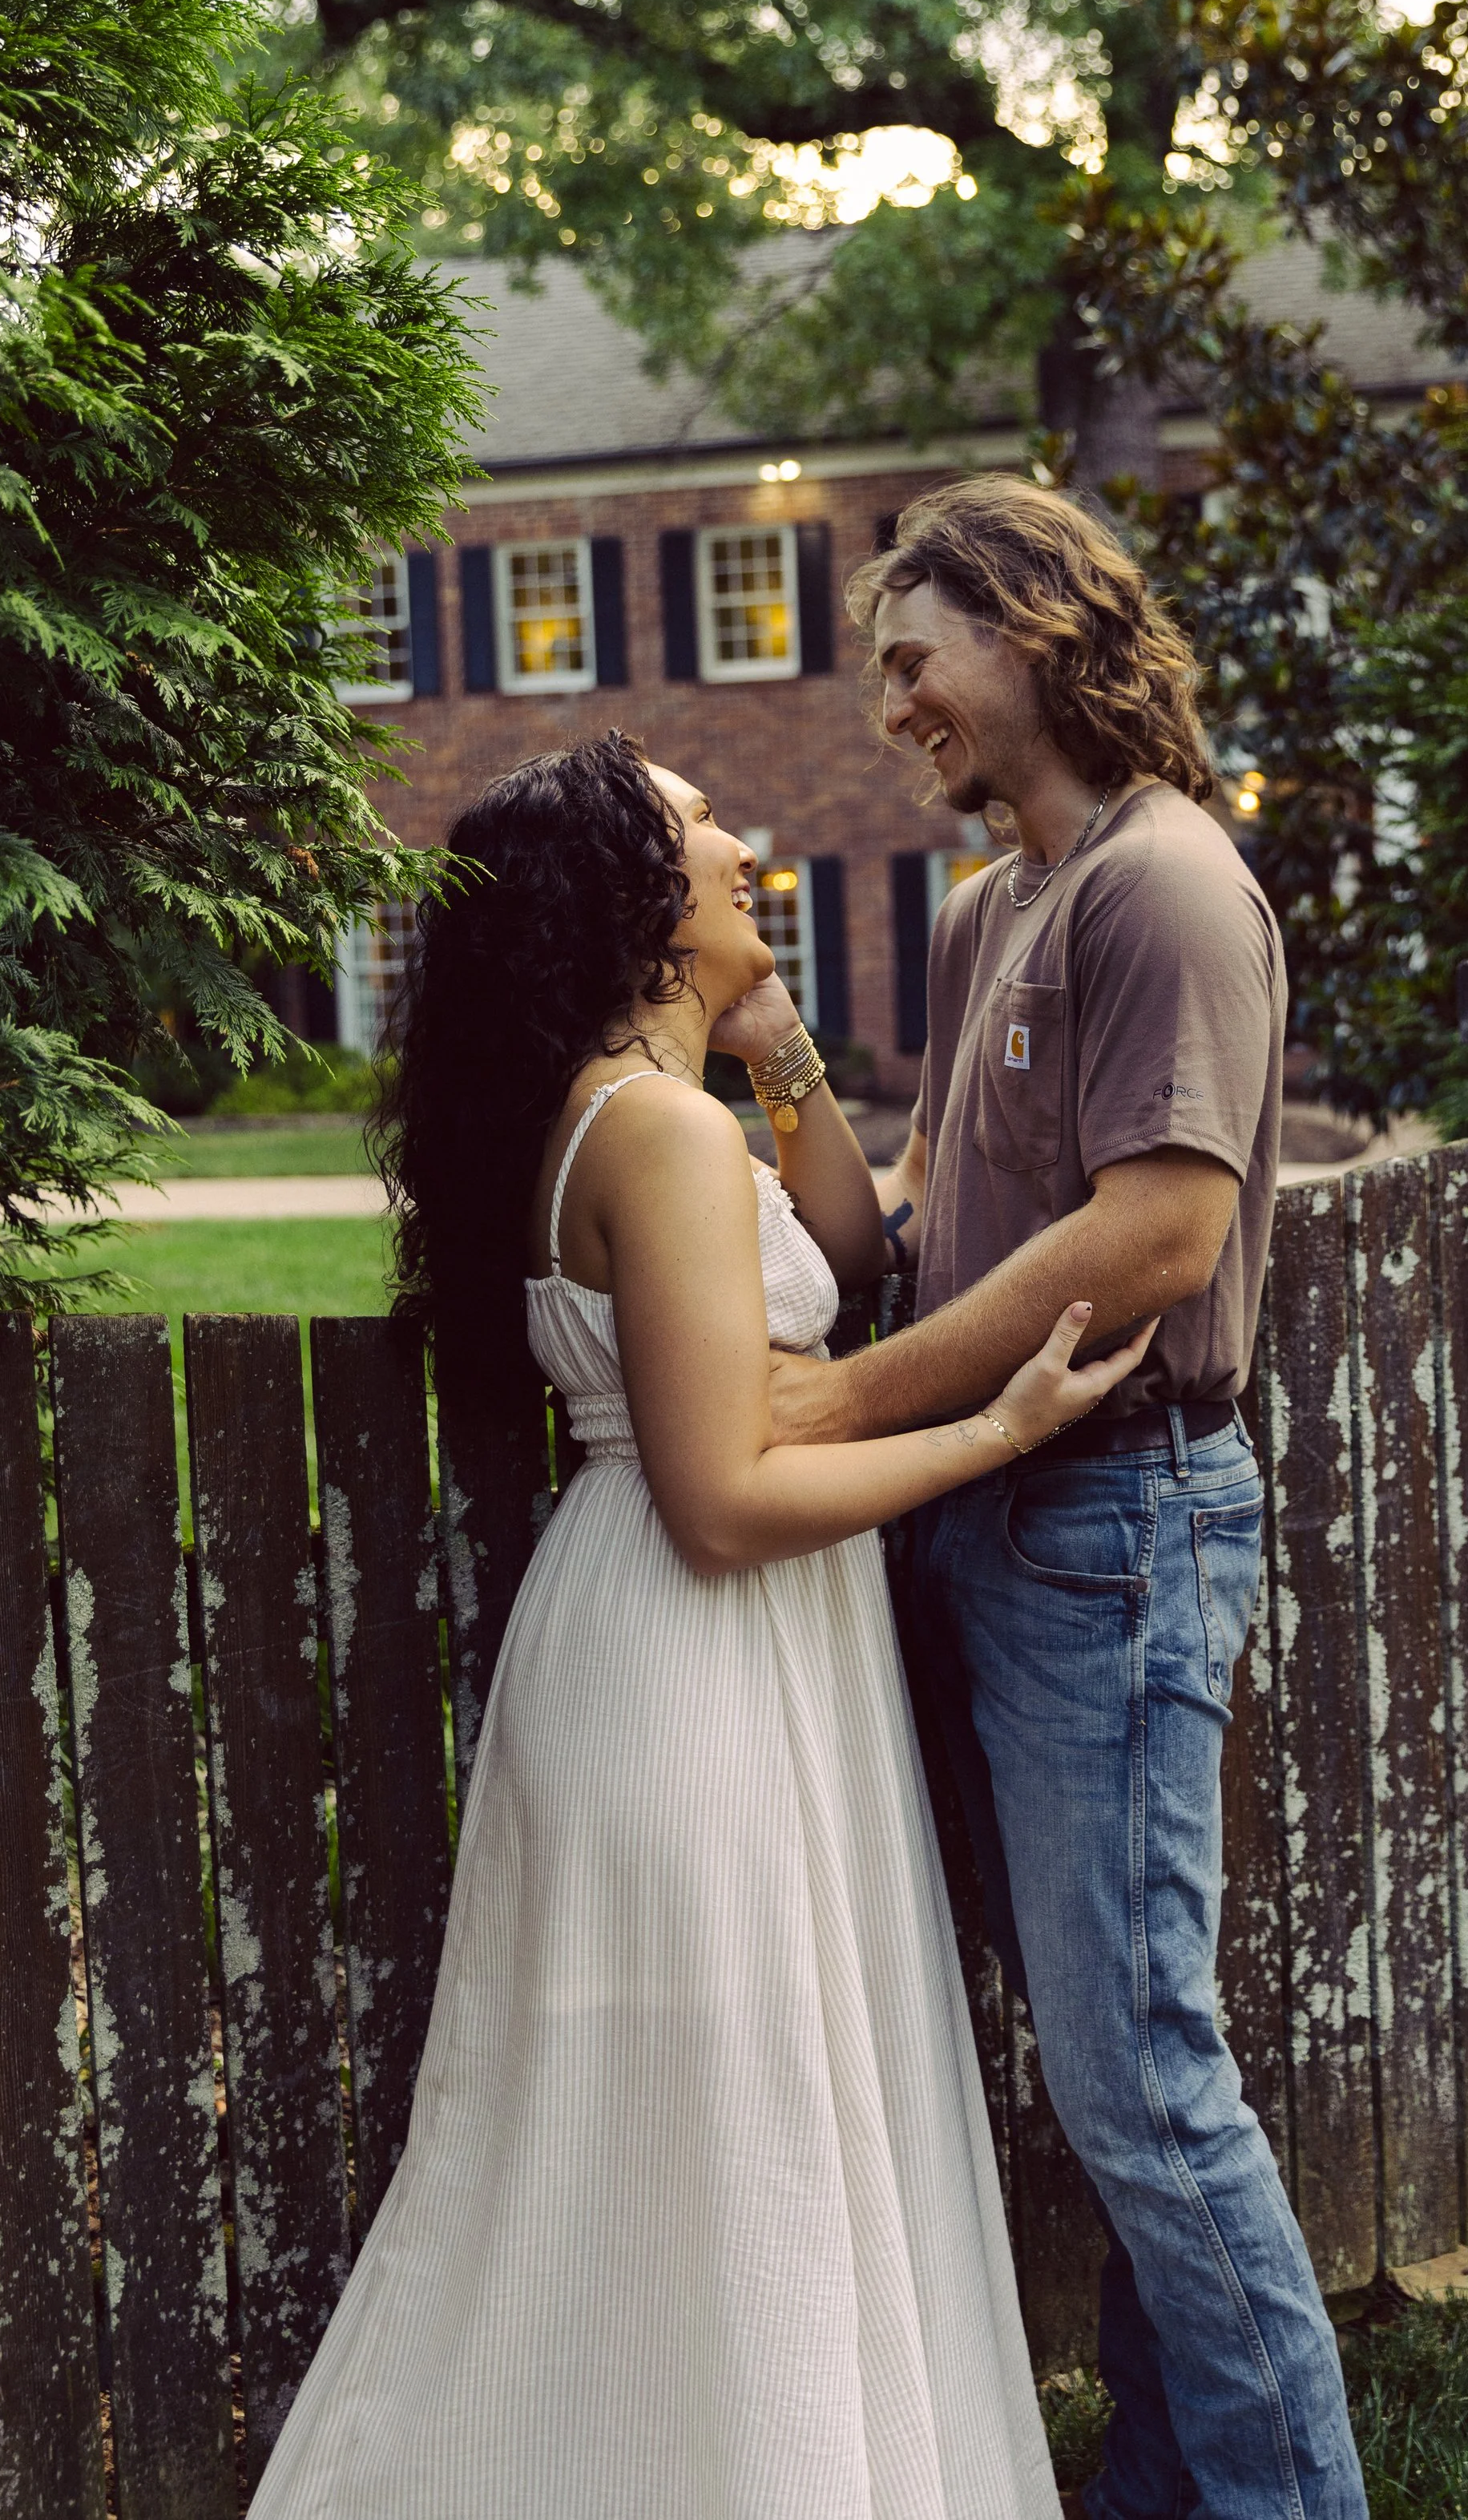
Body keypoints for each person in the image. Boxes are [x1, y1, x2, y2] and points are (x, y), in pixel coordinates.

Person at [249, 729, 1155, 2520]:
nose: (742, 836)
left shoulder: (657, 1101)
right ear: (635, 902)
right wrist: (995, 1430)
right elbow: (724, 1495)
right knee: (721, 2142)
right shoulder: (647, 1132)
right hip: (690, 1666)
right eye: (695, 828)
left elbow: (856, 1249)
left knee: (743, 2127)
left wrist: (770, 1041)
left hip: (723, 1664)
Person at [765, 478, 1369, 2520]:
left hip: (1114, 1529)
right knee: (1100, 2073)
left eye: (912, 657)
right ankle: (1169, 2494)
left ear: (1028, 626)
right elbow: (930, 1247)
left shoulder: (1163, 887)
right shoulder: (985, 910)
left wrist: (832, 1408)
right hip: (979, 1522)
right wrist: (770, 1054)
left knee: (1141, 2084)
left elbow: (1157, 1239)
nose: (893, 706)